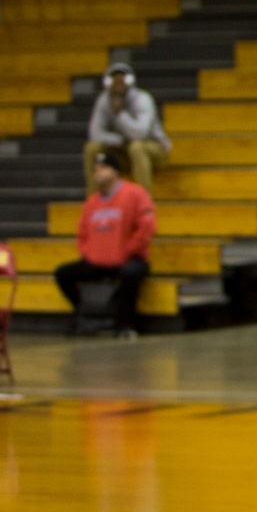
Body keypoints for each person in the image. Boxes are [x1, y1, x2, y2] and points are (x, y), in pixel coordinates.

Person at [55, 150, 156, 338]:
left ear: (115, 171)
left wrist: (127, 250)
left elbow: (147, 227)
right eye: (95, 170)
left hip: (129, 258)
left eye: (103, 168)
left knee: (130, 273)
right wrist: (90, 254)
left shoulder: (135, 194)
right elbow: (82, 233)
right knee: (63, 273)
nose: (98, 173)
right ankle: (83, 313)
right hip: (99, 260)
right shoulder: (92, 202)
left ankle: (125, 324)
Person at [83, 63, 169, 195]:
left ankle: (144, 204)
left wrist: (120, 113)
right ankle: (93, 203)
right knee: (92, 149)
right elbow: (95, 133)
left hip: (154, 151)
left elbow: (140, 134)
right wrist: (119, 140)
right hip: (124, 151)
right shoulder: (104, 101)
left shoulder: (142, 99)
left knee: (137, 147)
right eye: (115, 80)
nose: (118, 84)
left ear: (130, 81)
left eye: (122, 80)